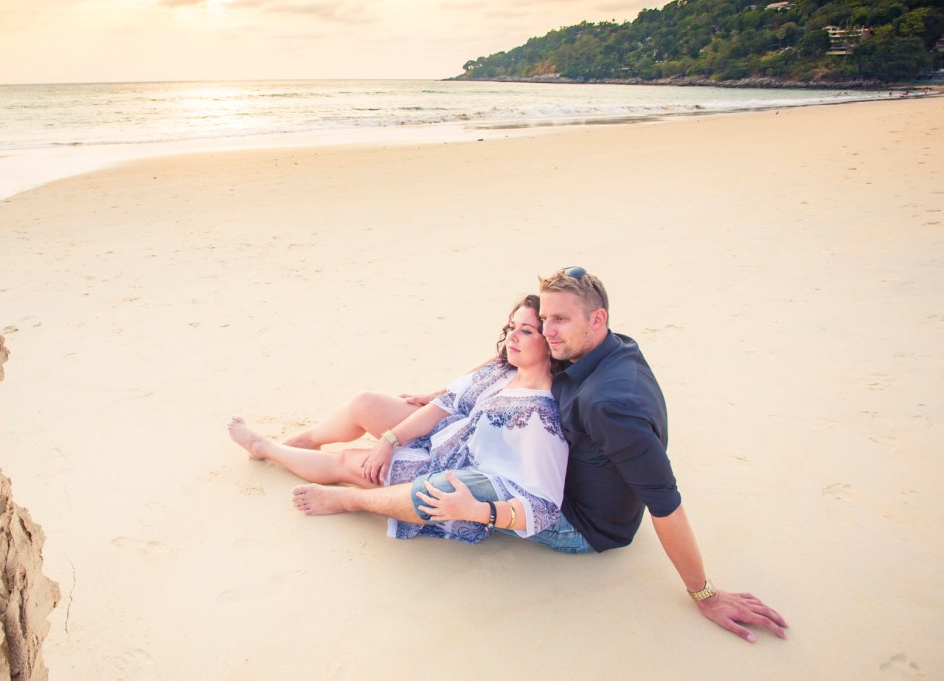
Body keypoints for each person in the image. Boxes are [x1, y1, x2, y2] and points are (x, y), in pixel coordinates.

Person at [289, 268, 788, 643]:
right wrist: (442, 392)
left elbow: (665, 502)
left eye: (558, 321)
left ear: (598, 318)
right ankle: (320, 446)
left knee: (438, 492)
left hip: (575, 520)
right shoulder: (605, 344)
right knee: (414, 417)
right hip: (531, 457)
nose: (548, 331)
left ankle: (352, 500)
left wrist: (705, 593)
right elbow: (513, 344)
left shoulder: (611, 405)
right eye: (543, 320)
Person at [228, 295, 568, 543]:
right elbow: (447, 402)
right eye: (512, 327)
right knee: (365, 403)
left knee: (349, 462)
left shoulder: (538, 415)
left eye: (526, 332)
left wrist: (481, 512)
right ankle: (308, 440)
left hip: (448, 469)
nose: (511, 337)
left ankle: (265, 448)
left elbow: (542, 505)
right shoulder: (504, 367)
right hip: (445, 433)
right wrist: (390, 440)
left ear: (550, 343)